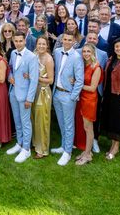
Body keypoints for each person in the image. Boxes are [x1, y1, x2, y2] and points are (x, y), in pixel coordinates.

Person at [6, 31, 39, 164]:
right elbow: (10, 69)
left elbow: (34, 80)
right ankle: (19, 143)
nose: (18, 43)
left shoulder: (31, 57)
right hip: (14, 91)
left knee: (25, 122)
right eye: (16, 41)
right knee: (17, 119)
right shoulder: (13, 53)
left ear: (25, 41)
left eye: (20, 41)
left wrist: (29, 99)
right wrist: (10, 78)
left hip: (25, 94)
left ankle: (26, 148)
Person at [51, 32, 85, 166]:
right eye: (64, 39)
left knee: (69, 124)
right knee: (61, 122)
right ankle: (63, 146)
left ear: (74, 41)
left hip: (68, 95)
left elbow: (79, 80)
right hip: (57, 93)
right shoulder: (58, 52)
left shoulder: (77, 57)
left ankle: (68, 152)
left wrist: (72, 97)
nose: (66, 41)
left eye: (69, 40)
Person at [74, 43, 102, 165]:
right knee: (84, 126)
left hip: (89, 100)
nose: (85, 54)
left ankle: (87, 155)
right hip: (82, 98)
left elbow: (92, 88)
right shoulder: (84, 65)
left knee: (88, 127)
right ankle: (87, 151)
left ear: (93, 53)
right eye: (84, 51)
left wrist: (76, 84)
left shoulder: (96, 67)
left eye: (88, 52)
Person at [32, 36, 54, 159]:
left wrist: (35, 77)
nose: (41, 46)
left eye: (43, 44)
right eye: (39, 44)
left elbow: (50, 80)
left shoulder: (49, 59)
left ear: (47, 46)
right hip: (34, 90)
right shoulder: (34, 55)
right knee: (34, 118)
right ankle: (35, 143)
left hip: (43, 92)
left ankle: (42, 149)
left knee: (42, 121)